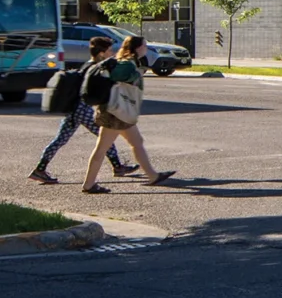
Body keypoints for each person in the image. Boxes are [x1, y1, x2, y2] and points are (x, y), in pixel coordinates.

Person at [31, 35, 135, 184]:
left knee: (61, 140)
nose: (112, 53)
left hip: (75, 109)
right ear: (101, 53)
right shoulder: (93, 67)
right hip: (81, 109)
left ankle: (40, 169)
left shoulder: (89, 65)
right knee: (105, 136)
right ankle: (118, 167)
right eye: (109, 50)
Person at [80, 34, 176, 194]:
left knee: (137, 142)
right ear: (137, 48)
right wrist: (135, 75)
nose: (146, 48)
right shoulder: (127, 64)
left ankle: (153, 176)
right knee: (101, 148)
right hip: (115, 113)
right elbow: (117, 78)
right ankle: (88, 185)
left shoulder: (129, 62)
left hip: (121, 112)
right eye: (144, 45)